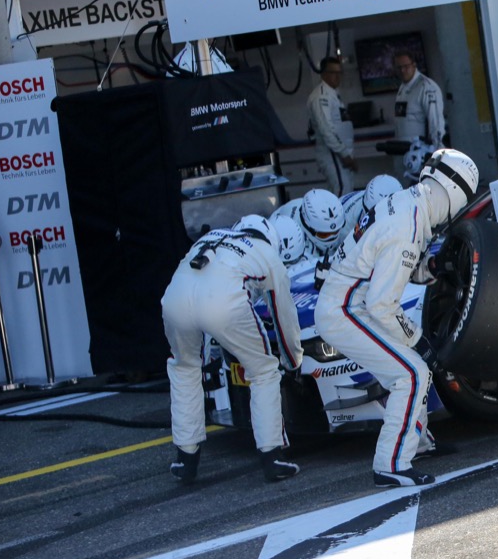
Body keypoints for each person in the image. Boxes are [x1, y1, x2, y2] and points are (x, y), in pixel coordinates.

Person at [314, 149, 479, 487]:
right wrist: (417, 339)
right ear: (453, 192)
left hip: (347, 301)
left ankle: (416, 442)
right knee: (413, 373)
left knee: (410, 370)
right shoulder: (409, 223)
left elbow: (386, 268)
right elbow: (382, 304)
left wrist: (431, 268)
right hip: (345, 309)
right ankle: (391, 462)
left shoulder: (407, 204)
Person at [161, 215, 303, 483]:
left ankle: (185, 459)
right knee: (263, 370)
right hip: (222, 303)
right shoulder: (268, 255)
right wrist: (293, 360)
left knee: (184, 368)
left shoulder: (211, 237)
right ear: (271, 240)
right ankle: (273, 456)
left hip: (175, 299)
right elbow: (284, 317)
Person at [306, 56, 358, 196]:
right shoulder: (321, 96)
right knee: (341, 191)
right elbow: (326, 129)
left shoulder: (333, 94)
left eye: (339, 72)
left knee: (346, 191)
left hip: (341, 154)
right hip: (333, 155)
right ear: (323, 74)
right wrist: (344, 154)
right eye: (333, 72)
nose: (337, 76)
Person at [392, 50, 447, 177]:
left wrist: (438, 154)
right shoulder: (403, 87)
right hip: (405, 154)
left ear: (414, 65)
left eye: (406, 66)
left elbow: (436, 122)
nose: (402, 70)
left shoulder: (426, 87)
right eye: (399, 67)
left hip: (421, 154)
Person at [271, 188, 349, 259]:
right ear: (307, 227)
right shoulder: (293, 238)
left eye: (336, 232)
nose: (331, 238)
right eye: (324, 235)